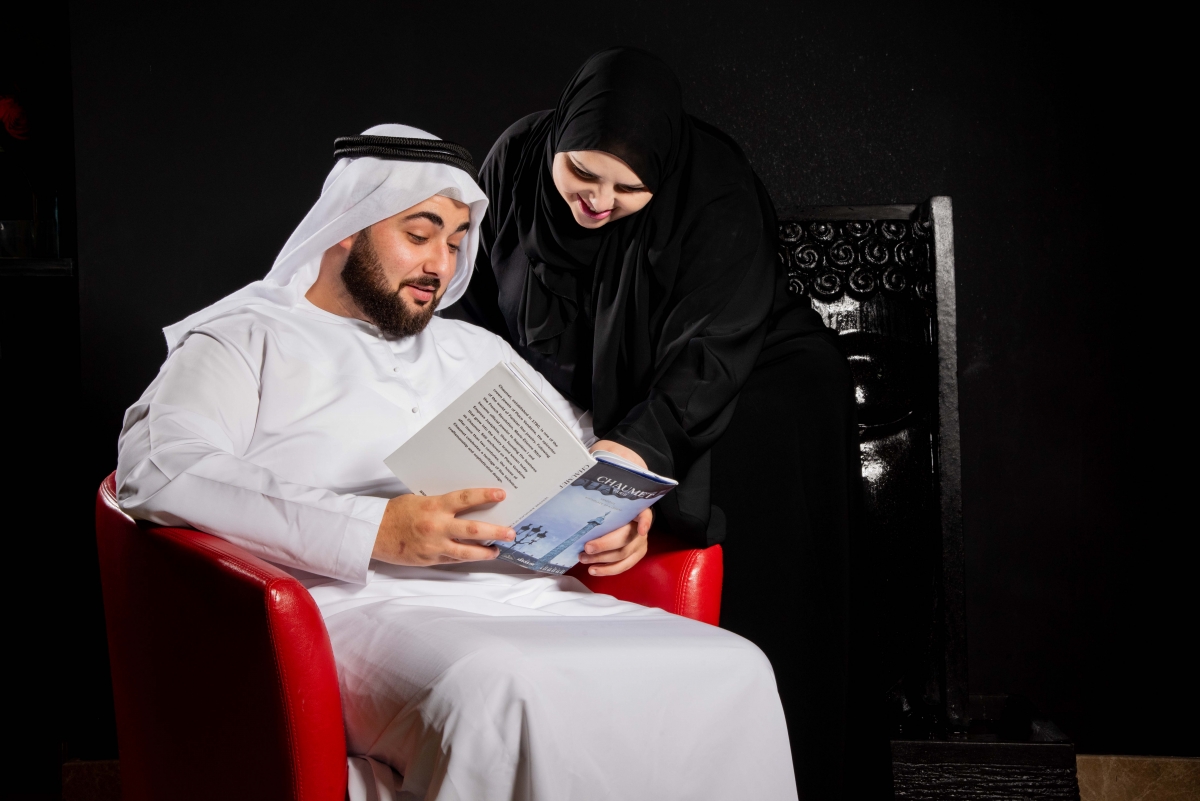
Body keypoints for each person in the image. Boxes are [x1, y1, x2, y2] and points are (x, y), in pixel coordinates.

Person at [116, 124, 797, 801]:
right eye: (419, 234)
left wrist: (613, 516)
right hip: (353, 603)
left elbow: (581, 451)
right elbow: (162, 466)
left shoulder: (475, 351)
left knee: (733, 667)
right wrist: (377, 528)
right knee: (501, 687)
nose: (441, 264)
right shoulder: (243, 336)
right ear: (348, 225)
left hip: (537, 598)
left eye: (455, 240)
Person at [446, 48, 864, 797]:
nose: (597, 202)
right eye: (580, 174)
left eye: (628, 187)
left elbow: (707, 353)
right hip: (613, 400)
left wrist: (624, 463)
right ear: (557, 140)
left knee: (758, 609)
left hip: (751, 392)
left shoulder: (717, 190)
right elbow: (477, 313)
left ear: (662, 174)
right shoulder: (514, 161)